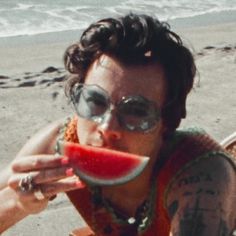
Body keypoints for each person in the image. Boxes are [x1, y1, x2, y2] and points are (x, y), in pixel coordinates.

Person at [0, 13, 235, 236]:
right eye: (95, 101)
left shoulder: (202, 178)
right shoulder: (62, 142)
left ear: (168, 121)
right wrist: (19, 204)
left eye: (136, 111)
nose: (107, 127)